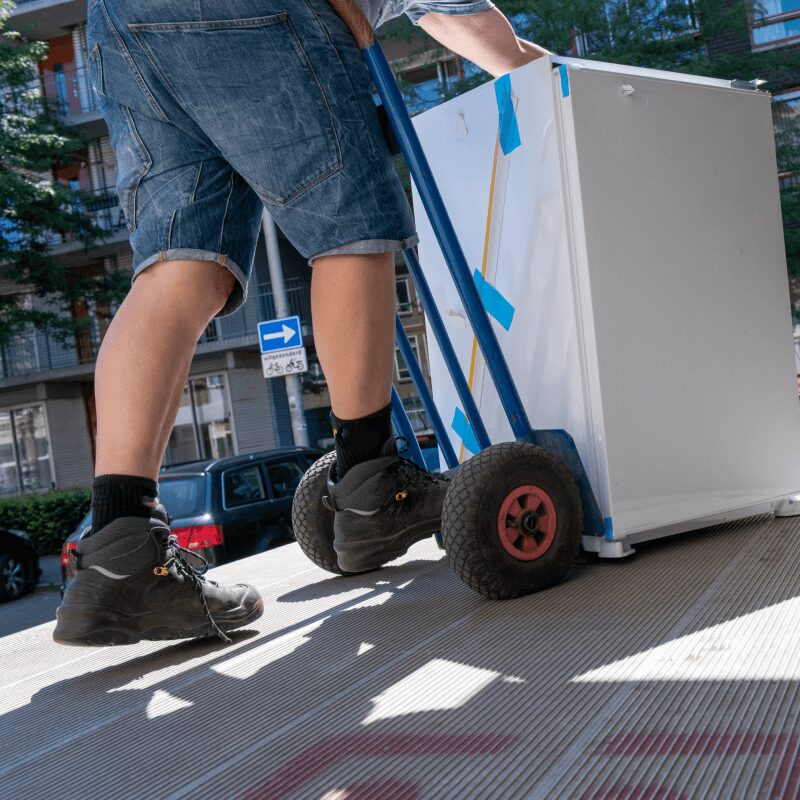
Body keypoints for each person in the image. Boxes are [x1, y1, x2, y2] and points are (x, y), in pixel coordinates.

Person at [53, 0, 550, 646]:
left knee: (181, 265)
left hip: (124, 21)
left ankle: (120, 544)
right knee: (351, 221)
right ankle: (373, 483)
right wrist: (568, 80)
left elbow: (451, 19)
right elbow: (494, 44)